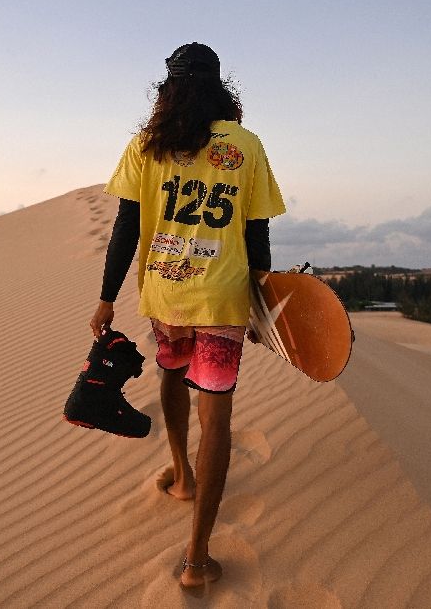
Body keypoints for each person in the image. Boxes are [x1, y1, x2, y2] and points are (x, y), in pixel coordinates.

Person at [89, 42, 286, 590]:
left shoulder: (145, 146)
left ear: (167, 88)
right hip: (222, 299)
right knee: (217, 414)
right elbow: (257, 231)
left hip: (166, 295)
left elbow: (125, 228)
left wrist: (106, 297)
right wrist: (261, 299)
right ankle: (197, 559)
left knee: (170, 372)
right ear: (221, 88)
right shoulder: (246, 145)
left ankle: (182, 476)